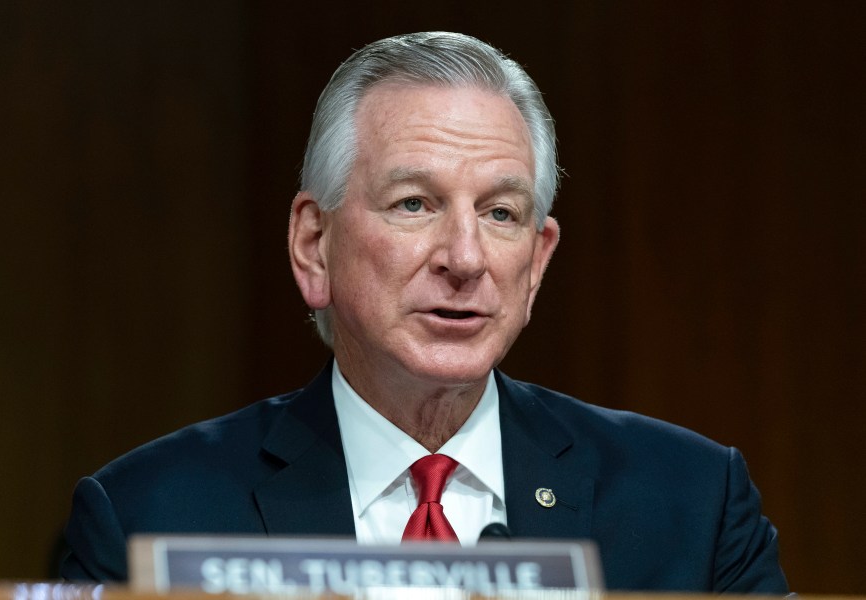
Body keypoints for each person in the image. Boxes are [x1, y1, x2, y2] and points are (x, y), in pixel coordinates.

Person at [60, 32, 788, 592]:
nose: (464, 258)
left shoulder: (691, 504)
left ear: (535, 263)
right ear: (314, 245)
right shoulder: (148, 518)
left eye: (501, 213)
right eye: (415, 204)